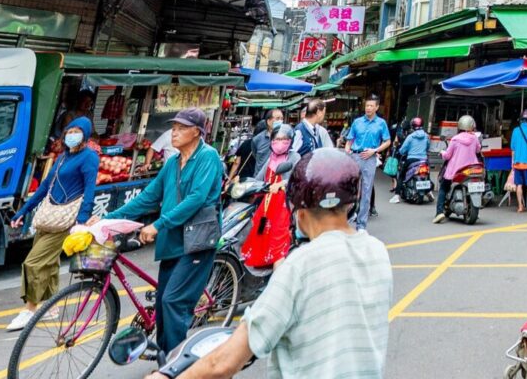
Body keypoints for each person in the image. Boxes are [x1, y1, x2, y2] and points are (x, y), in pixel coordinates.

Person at [161, 148, 392, 379]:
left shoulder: (300, 266)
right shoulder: (377, 252)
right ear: (352, 202)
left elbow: (224, 363)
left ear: (298, 212)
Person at [108, 106, 224, 358]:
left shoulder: (208, 157)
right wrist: (109, 218)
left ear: (197, 132)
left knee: (173, 302)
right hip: (173, 241)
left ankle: (177, 364)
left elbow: (196, 199)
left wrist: (158, 225)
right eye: (173, 128)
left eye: (181, 128)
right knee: (162, 303)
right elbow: (149, 197)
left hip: (196, 241)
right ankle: (165, 356)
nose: (174, 133)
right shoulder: (172, 163)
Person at [8, 115, 98, 330]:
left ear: (85, 135)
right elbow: (44, 187)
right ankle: (52, 306)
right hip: (49, 216)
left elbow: (90, 191)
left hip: (67, 220)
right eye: (69, 131)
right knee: (48, 263)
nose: (72, 135)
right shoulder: (62, 158)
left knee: (34, 262)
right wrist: (23, 211)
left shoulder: (89, 158)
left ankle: (30, 309)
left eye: (77, 131)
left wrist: (82, 221)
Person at [344, 96, 390, 230]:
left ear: (376, 107)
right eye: (366, 105)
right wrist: (347, 152)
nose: (368, 108)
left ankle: (361, 225)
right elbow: (349, 140)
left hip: (369, 159)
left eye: (371, 106)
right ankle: (345, 220)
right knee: (349, 189)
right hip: (355, 156)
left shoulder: (381, 123)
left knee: (366, 191)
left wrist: (374, 150)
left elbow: (387, 141)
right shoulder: (357, 122)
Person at [434, 115, 484, 224]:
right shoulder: (474, 138)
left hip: (456, 170)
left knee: (443, 187)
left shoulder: (455, 139)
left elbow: (447, 156)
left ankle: (439, 213)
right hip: (471, 170)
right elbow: (478, 150)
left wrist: (442, 152)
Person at [243, 107, 285, 179]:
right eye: (278, 119)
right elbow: (255, 154)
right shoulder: (258, 139)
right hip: (259, 180)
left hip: (276, 179)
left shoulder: (286, 139)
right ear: (268, 121)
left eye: (282, 119)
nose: (280, 121)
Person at [394, 118, 430, 199]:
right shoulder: (426, 136)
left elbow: (403, 149)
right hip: (423, 160)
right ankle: (429, 192)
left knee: (401, 176)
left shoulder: (411, 137)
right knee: (427, 174)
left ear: (413, 126)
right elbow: (428, 147)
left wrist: (400, 152)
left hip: (411, 159)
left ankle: (396, 195)